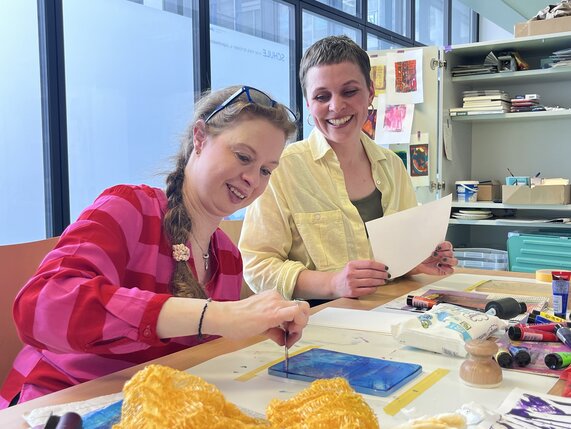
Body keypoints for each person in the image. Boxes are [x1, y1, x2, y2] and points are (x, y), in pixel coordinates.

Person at [0, 85, 309, 408]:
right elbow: (40, 305)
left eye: (265, 170)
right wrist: (215, 315)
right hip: (59, 404)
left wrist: (254, 324)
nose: (253, 179)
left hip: (147, 408)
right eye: (243, 157)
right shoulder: (129, 208)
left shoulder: (228, 258)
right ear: (200, 138)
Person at [239, 35, 457, 303]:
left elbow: (394, 259)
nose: (336, 106)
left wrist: (415, 261)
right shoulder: (281, 168)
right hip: (315, 318)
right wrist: (333, 283)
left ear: (370, 92)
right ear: (308, 103)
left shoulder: (392, 166)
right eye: (322, 96)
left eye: (349, 91)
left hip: (387, 309)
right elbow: (257, 266)